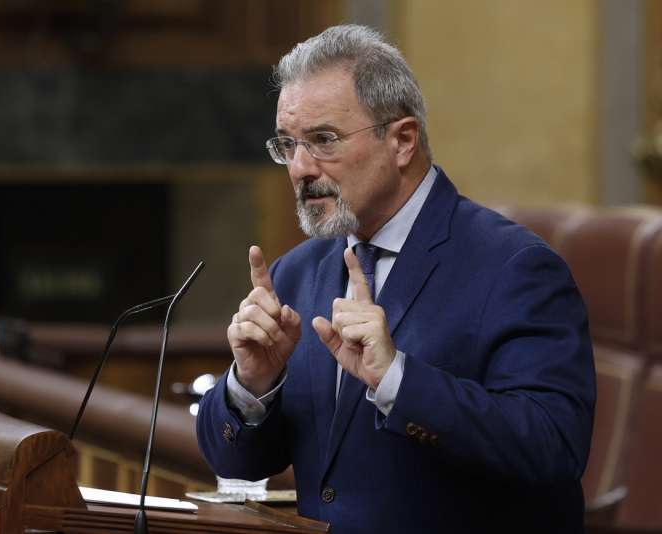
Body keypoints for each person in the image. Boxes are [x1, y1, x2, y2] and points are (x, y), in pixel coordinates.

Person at [196, 24, 595, 534]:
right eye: (288, 145)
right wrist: (252, 384)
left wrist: (397, 381)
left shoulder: (515, 268)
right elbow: (237, 463)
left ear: (403, 140)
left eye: (322, 140)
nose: (299, 168)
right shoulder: (295, 272)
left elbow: (554, 447)